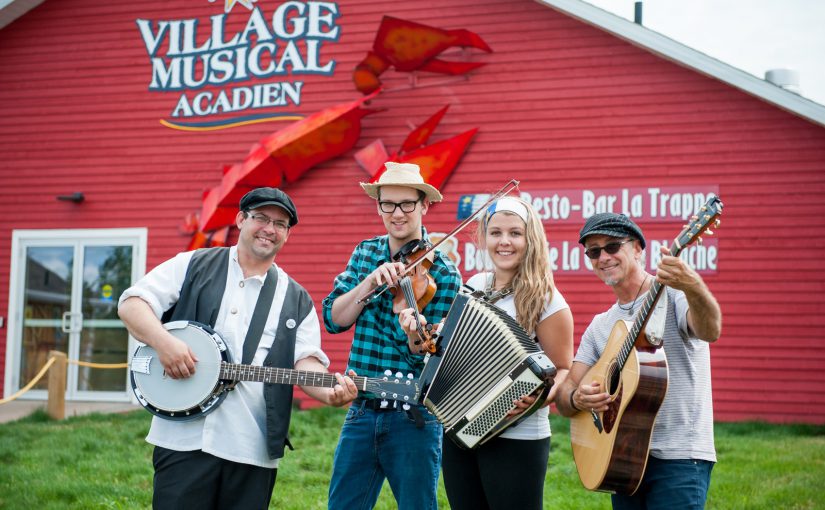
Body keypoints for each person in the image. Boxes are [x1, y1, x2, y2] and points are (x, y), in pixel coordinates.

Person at [118, 187, 358, 510]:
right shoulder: (194, 264)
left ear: (287, 234)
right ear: (241, 219)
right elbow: (132, 304)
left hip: (252, 448)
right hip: (181, 439)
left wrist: (331, 393)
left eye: (281, 224)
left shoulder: (296, 299)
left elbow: (306, 363)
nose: (270, 229)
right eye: (261, 218)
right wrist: (165, 344)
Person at [400, 196, 574, 510]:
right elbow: (445, 350)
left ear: (529, 239)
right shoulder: (475, 285)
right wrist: (418, 334)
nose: (504, 242)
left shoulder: (548, 301)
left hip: (518, 437)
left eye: (514, 233)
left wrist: (534, 398)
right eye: (495, 233)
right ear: (484, 238)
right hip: (459, 428)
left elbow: (563, 369)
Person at [555, 212, 722, 509]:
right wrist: (578, 399)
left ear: (637, 249)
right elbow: (565, 394)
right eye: (594, 251)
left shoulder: (674, 295)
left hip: (680, 456)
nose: (603, 256)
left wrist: (693, 284)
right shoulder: (600, 325)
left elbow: (710, 331)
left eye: (612, 246)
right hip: (621, 457)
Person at [323, 162, 462, 510]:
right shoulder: (365, 253)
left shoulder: (443, 272)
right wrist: (369, 282)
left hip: (414, 416)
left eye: (406, 204)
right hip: (362, 408)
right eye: (388, 204)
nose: (397, 213)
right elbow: (334, 319)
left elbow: (433, 355)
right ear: (379, 205)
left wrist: (415, 333)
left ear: (424, 205)